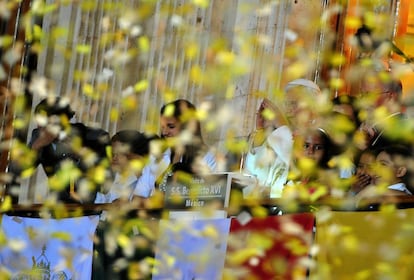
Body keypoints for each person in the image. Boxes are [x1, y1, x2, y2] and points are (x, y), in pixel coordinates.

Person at [14, 96, 111, 203]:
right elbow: (17, 171)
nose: (39, 126)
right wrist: (35, 147)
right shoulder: (37, 136)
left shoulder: (92, 137)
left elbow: (105, 180)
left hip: (90, 205)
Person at [156, 99, 217, 192]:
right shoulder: (157, 156)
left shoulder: (206, 157)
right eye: (162, 127)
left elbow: (212, 194)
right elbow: (141, 195)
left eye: (171, 126)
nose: (164, 132)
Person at [241, 98, 293, 198]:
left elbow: (296, 162)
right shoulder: (277, 139)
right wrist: (261, 132)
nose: (290, 108)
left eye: (294, 103)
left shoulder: (311, 141)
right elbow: (257, 179)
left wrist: (281, 125)